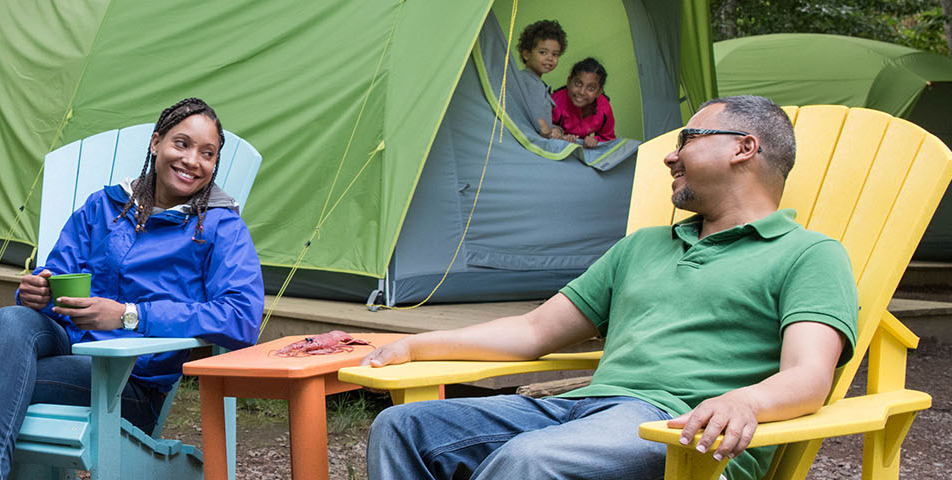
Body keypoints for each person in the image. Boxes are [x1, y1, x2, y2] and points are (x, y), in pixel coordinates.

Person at [361, 96, 857, 480]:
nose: (670, 155)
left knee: (531, 461)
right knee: (403, 427)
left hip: (683, 437)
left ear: (743, 147)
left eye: (688, 138)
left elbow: (809, 376)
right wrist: (413, 345)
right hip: (583, 410)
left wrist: (744, 402)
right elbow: (534, 330)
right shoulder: (642, 246)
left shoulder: (810, 254)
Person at [0, 98, 265, 480]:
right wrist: (39, 292)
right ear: (155, 143)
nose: (192, 161)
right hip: (67, 345)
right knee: (14, 316)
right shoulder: (104, 206)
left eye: (207, 153)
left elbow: (241, 317)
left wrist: (130, 315)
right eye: (181, 144)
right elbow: (59, 276)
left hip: (125, 382)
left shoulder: (220, 228)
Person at [510, 20, 566, 139]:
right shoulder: (522, 80)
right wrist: (539, 123)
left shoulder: (539, 84)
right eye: (543, 52)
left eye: (555, 54)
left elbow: (545, 123)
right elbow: (516, 111)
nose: (550, 58)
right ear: (526, 54)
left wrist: (557, 130)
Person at [551, 57, 616, 148]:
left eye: (591, 88)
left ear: (599, 92)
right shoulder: (555, 103)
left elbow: (608, 138)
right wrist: (560, 136)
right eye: (578, 83)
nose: (582, 92)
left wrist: (595, 140)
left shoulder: (604, 108)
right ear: (569, 82)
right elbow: (542, 131)